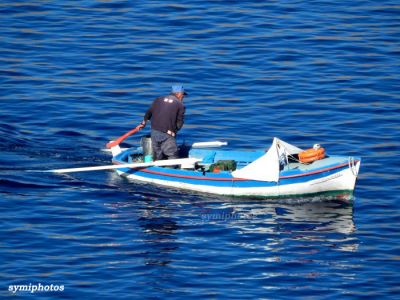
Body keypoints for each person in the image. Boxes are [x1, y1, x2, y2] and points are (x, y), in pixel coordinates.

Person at [140, 85, 187, 160]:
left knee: (158, 155)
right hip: (167, 134)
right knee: (173, 155)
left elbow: (149, 112)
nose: (183, 97)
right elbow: (179, 122)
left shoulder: (158, 99)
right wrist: (174, 132)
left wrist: (143, 122)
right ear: (179, 94)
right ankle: (171, 171)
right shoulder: (180, 105)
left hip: (154, 132)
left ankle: (155, 169)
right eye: (183, 95)